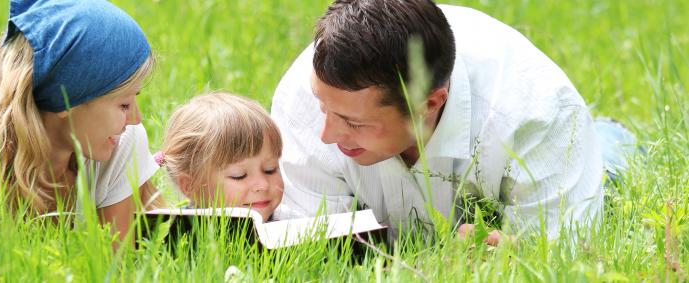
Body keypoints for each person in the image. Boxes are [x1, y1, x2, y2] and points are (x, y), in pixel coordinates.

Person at [271, 0, 636, 244]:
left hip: (532, 150)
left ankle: (611, 141)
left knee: (603, 172)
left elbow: (562, 251)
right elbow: (308, 244)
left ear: (428, 104)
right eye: (324, 109)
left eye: (352, 122)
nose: (327, 134)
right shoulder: (301, 97)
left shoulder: (535, 114)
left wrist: (515, 255)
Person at [0, 0, 159, 240]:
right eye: (124, 105)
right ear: (67, 97)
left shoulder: (121, 144)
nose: (136, 120)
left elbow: (115, 267)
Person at [155, 93, 284, 221]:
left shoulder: (290, 227)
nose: (263, 184)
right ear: (190, 185)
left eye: (270, 169)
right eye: (239, 176)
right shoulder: (177, 236)